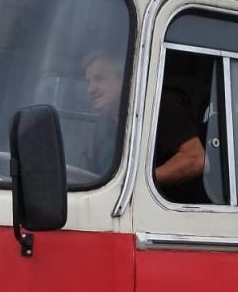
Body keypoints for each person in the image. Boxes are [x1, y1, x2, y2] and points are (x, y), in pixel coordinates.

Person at [82, 52, 207, 200]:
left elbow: (196, 159)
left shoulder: (158, 106)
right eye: (88, 82)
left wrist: (140, 181)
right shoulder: (102, 123)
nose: (90, 88)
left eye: (99, 79)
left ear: (122, 79)